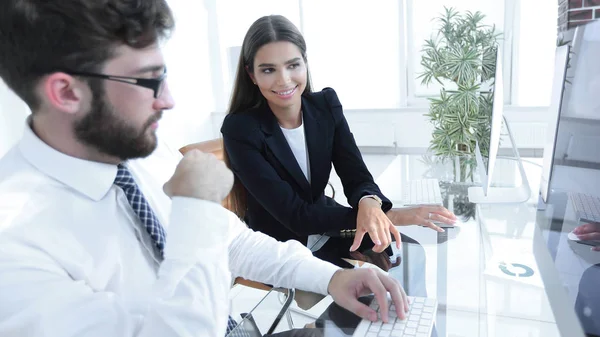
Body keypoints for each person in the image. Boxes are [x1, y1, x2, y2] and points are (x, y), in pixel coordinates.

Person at [0, 2, 411, 336]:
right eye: (148, 82)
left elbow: (234, 244)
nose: (169, 100)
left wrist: (330, 279)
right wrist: (195, 208)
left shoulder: (141, 154)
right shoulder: (14, 244)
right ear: (66, 92)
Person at [220, 15, 457, 266]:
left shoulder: (325, 106)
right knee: (363, 284)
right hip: (281, 246)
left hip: (327, 228)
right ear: (251, 75)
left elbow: (357, 177)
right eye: (268, 70)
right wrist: (392, 215)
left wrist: (370, 204)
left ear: (305, 63)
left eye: (293, 65)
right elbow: (295, 216)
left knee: (409, 256)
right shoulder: (240, 129)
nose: (284, 80)